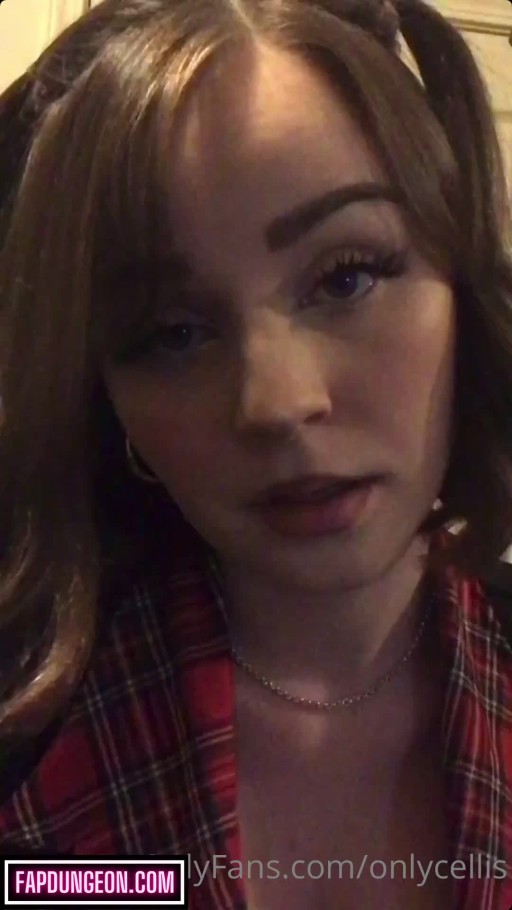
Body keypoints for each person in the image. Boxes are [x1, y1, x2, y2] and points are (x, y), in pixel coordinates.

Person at [0, 0, 511, 907]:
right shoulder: (30, 745)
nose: (276, 403)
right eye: (173, 332)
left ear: (458, 287)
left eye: (345, 277)